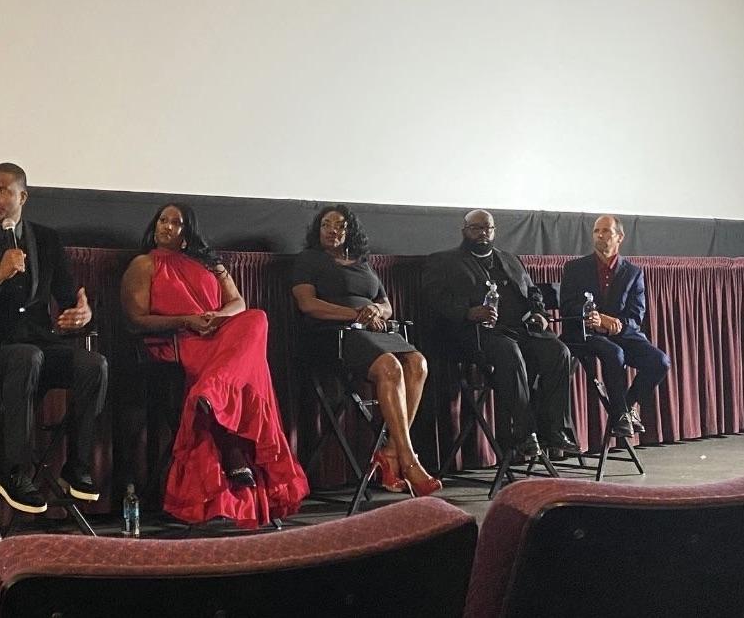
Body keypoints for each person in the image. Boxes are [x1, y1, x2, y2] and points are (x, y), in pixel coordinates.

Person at [120, 202, 309, 527]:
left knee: (258, 319)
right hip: (177, 341)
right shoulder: (144, 263)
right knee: (252, 374)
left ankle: (211, 395)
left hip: (218, 336)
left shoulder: (211, 264)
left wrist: (215, 318)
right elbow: (136, 319)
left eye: (175, 222)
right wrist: (189, 320)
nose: (166, 226)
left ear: (187, 231)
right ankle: (232, 445)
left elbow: (238, 303)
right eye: (162, 220)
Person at [0, 162, 108, 513]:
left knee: (93, 363)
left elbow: (68, 302)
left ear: (23, 196)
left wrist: (82, 314)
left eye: (2, 190)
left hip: (40, 344)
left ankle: (76, 468)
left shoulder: (47, 240)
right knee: (26, 356)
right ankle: (15, 471)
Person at [291, 204, 442, 496]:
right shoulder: (309, 260)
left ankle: (389, 452)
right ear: (317, 230)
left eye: (340, 225)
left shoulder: (362, 262)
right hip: (333, 335)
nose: (333, 230)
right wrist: (354, 314)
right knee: (390, 367)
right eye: (326, 225)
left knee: (418, 364)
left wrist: (374, 310)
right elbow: (308, 305)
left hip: (373, 331)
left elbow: (386, 305)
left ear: (350, 232)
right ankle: (408, 461)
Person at [422, 209, 579, 460]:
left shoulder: (510, 259)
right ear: (464, 231)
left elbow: (533, 292)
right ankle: (526, 434)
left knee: (559, 351)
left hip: (521, 329)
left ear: (495, 231)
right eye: (476, 228)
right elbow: (435, 300)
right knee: (509, 351)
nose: (483, 233)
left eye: (488, 228)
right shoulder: (444, 261)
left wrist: (539, 313)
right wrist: (469, 312)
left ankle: (555, 431)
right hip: (475, 335)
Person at [560, 215, 670, 436]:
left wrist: (616, 324)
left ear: (619, 237)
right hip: (585, 334)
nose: (600, 235)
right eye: (596, 231)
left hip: (620, 333)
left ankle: (625, 409)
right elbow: (567, 306)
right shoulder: (575, 268)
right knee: (615, 353)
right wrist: (596, 317)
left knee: (660, 361)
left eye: (606, 231)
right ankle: (621, 414)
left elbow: (636, 315)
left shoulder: (633, 272)